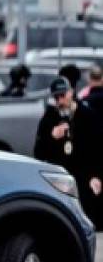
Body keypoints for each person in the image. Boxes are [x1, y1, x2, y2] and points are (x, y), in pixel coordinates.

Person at [33, 77, 102, 221]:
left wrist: (96, 176)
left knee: (91, 213)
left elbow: (98, 149)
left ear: (71, 93)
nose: (60, 101)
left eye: (62, 96)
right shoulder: (50, 117)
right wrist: (51, 136)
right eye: (56, 97)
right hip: (59, 175)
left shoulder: (86, 115)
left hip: (84, 175)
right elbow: (38, 153)